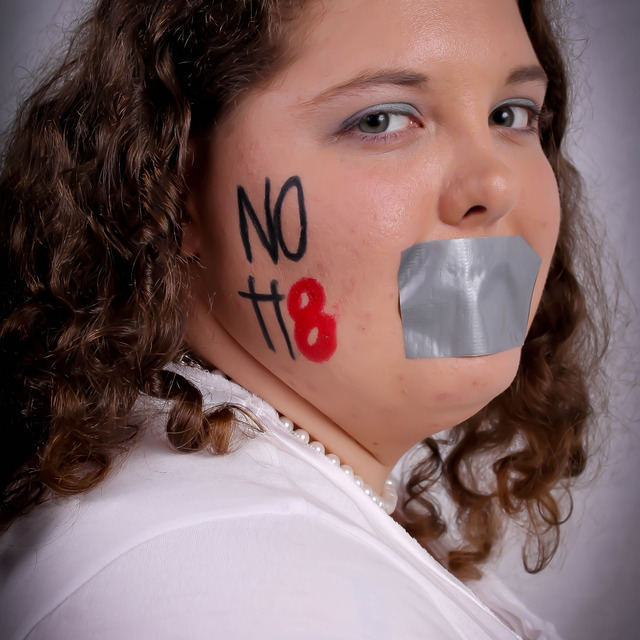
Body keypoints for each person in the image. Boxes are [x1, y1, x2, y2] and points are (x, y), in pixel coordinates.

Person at [0, 0, 608, 638]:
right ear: (172, 189)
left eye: (511, 115)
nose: (495, 184)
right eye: (380, 119)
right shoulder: (227, 587)